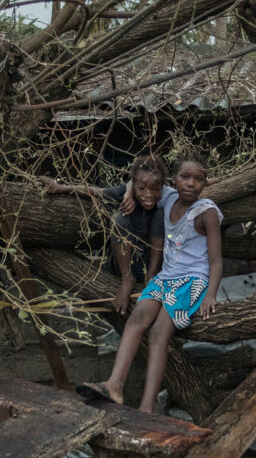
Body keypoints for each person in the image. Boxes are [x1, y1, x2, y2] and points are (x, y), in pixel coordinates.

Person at [76, 154, 222, 413]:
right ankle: (115, 385)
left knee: (158, 334)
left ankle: (147, 407)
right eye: (185, 177)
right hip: (165, 277)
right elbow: (137, 180)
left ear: (205, 183)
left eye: (199, 179)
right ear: (173, 181)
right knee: (136, 320)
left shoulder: (207, 212)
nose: (191, 184)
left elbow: (215, 261)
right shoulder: (166, 197)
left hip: (192, 281)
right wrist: (129, 193)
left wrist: (211, 294)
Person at [40, 155, 169, 314]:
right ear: (133, 186)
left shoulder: (168, 197)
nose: (149, 195)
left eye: (155, 189)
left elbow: (199, 187)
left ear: (162, 187)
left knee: (161, 215)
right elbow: (96, 191)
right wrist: (61, 188)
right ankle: (127, 279)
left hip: (152, 262)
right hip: (126, 261)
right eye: (142, 189)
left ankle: (152, 274)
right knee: (119, 218)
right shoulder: (124, 192)